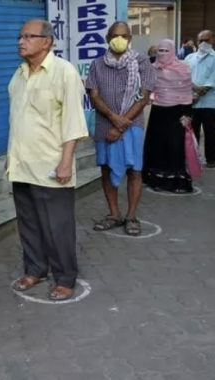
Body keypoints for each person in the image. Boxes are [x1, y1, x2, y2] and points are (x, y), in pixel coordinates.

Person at [7, 20, 88, 301]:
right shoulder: (18, 75)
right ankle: (35, 269)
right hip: (22, 166)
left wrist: (66, 162)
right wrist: (11, 159)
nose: (21, 41)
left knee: (58, 227)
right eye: (20, 35)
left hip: (52, 167)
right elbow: (16, 122)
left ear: (47, 41)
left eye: (28, 36)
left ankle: (65, 278)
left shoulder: (64, 73)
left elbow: (73, 122)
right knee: (28, 224)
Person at [86, 21, 155, 236]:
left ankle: (131, 216)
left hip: (132, 125)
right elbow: (93, 94)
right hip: (105, 125)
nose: (120, 39)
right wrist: (113, 118)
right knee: (106, 169)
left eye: (124, 36)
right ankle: (114, 214)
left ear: (130, 39)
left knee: (134, 170)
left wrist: (123, 122)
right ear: (107, 38)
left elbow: (144, 96)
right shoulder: (97, 64)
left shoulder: (142, 61)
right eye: (116, 35)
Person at [143, 39, 194, 193]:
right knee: (157, 147)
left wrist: (188, 114)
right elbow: (147, 88)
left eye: (166, 51)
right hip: (158, 112)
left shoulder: (183, 68)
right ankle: (156, 180)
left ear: (172, 51)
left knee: (175, 148)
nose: (163, 54)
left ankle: (177, 183)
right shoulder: (152, 68)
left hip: (177, 113)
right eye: (160, 50)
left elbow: (187, 92)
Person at [185, 30, 215, 167]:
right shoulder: (189, 58)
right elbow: (184, 77)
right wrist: (193, 93)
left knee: (211, 132)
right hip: (191, 102)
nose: (203, 43)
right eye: (200, 40)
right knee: (192, 132)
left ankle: (211, 159)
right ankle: (193, 158)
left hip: (210, 102)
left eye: (206, 40)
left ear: (212, 40)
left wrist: (197, 94)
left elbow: (212, 80)